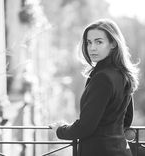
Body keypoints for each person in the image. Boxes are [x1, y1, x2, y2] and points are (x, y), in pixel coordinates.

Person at [50, 18, 139, 156]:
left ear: (113, 43)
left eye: (99, 42)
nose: (92, 48)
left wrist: (60, 130)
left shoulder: (102, 78)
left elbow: (85, 127)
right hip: (121, 150)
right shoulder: (123, 74)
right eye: (88, 42)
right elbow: (127, 119)